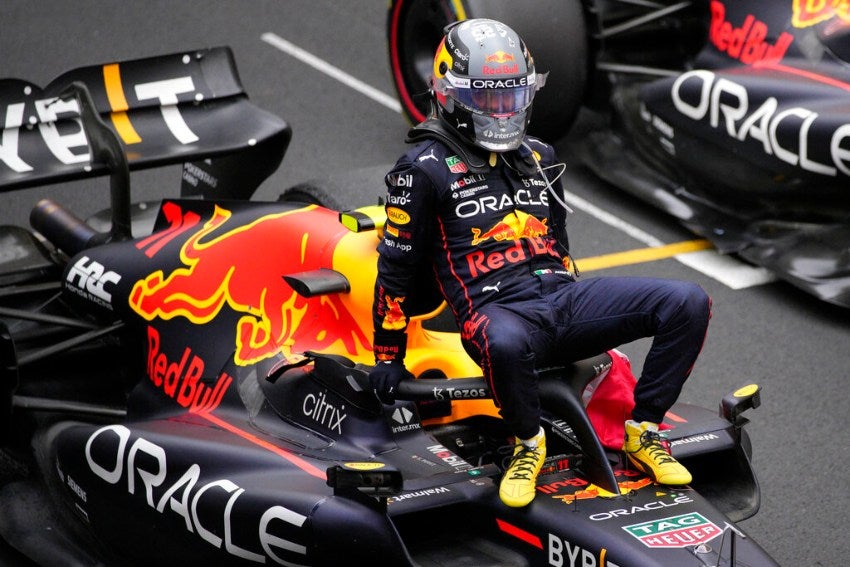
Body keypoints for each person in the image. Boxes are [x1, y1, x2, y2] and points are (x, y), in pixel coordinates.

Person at [369, 18, 711, 508]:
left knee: (687, 301)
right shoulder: (420, 171)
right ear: (448, 95)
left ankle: (643, 430)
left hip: (560, 299)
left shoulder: (541, 156)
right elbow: (396, 269)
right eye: (488, 98)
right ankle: (527, 444)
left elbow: (561, 246)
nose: (501, 110)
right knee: (506, 342)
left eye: (510, 97)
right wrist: (387, 356)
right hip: (496, 316)